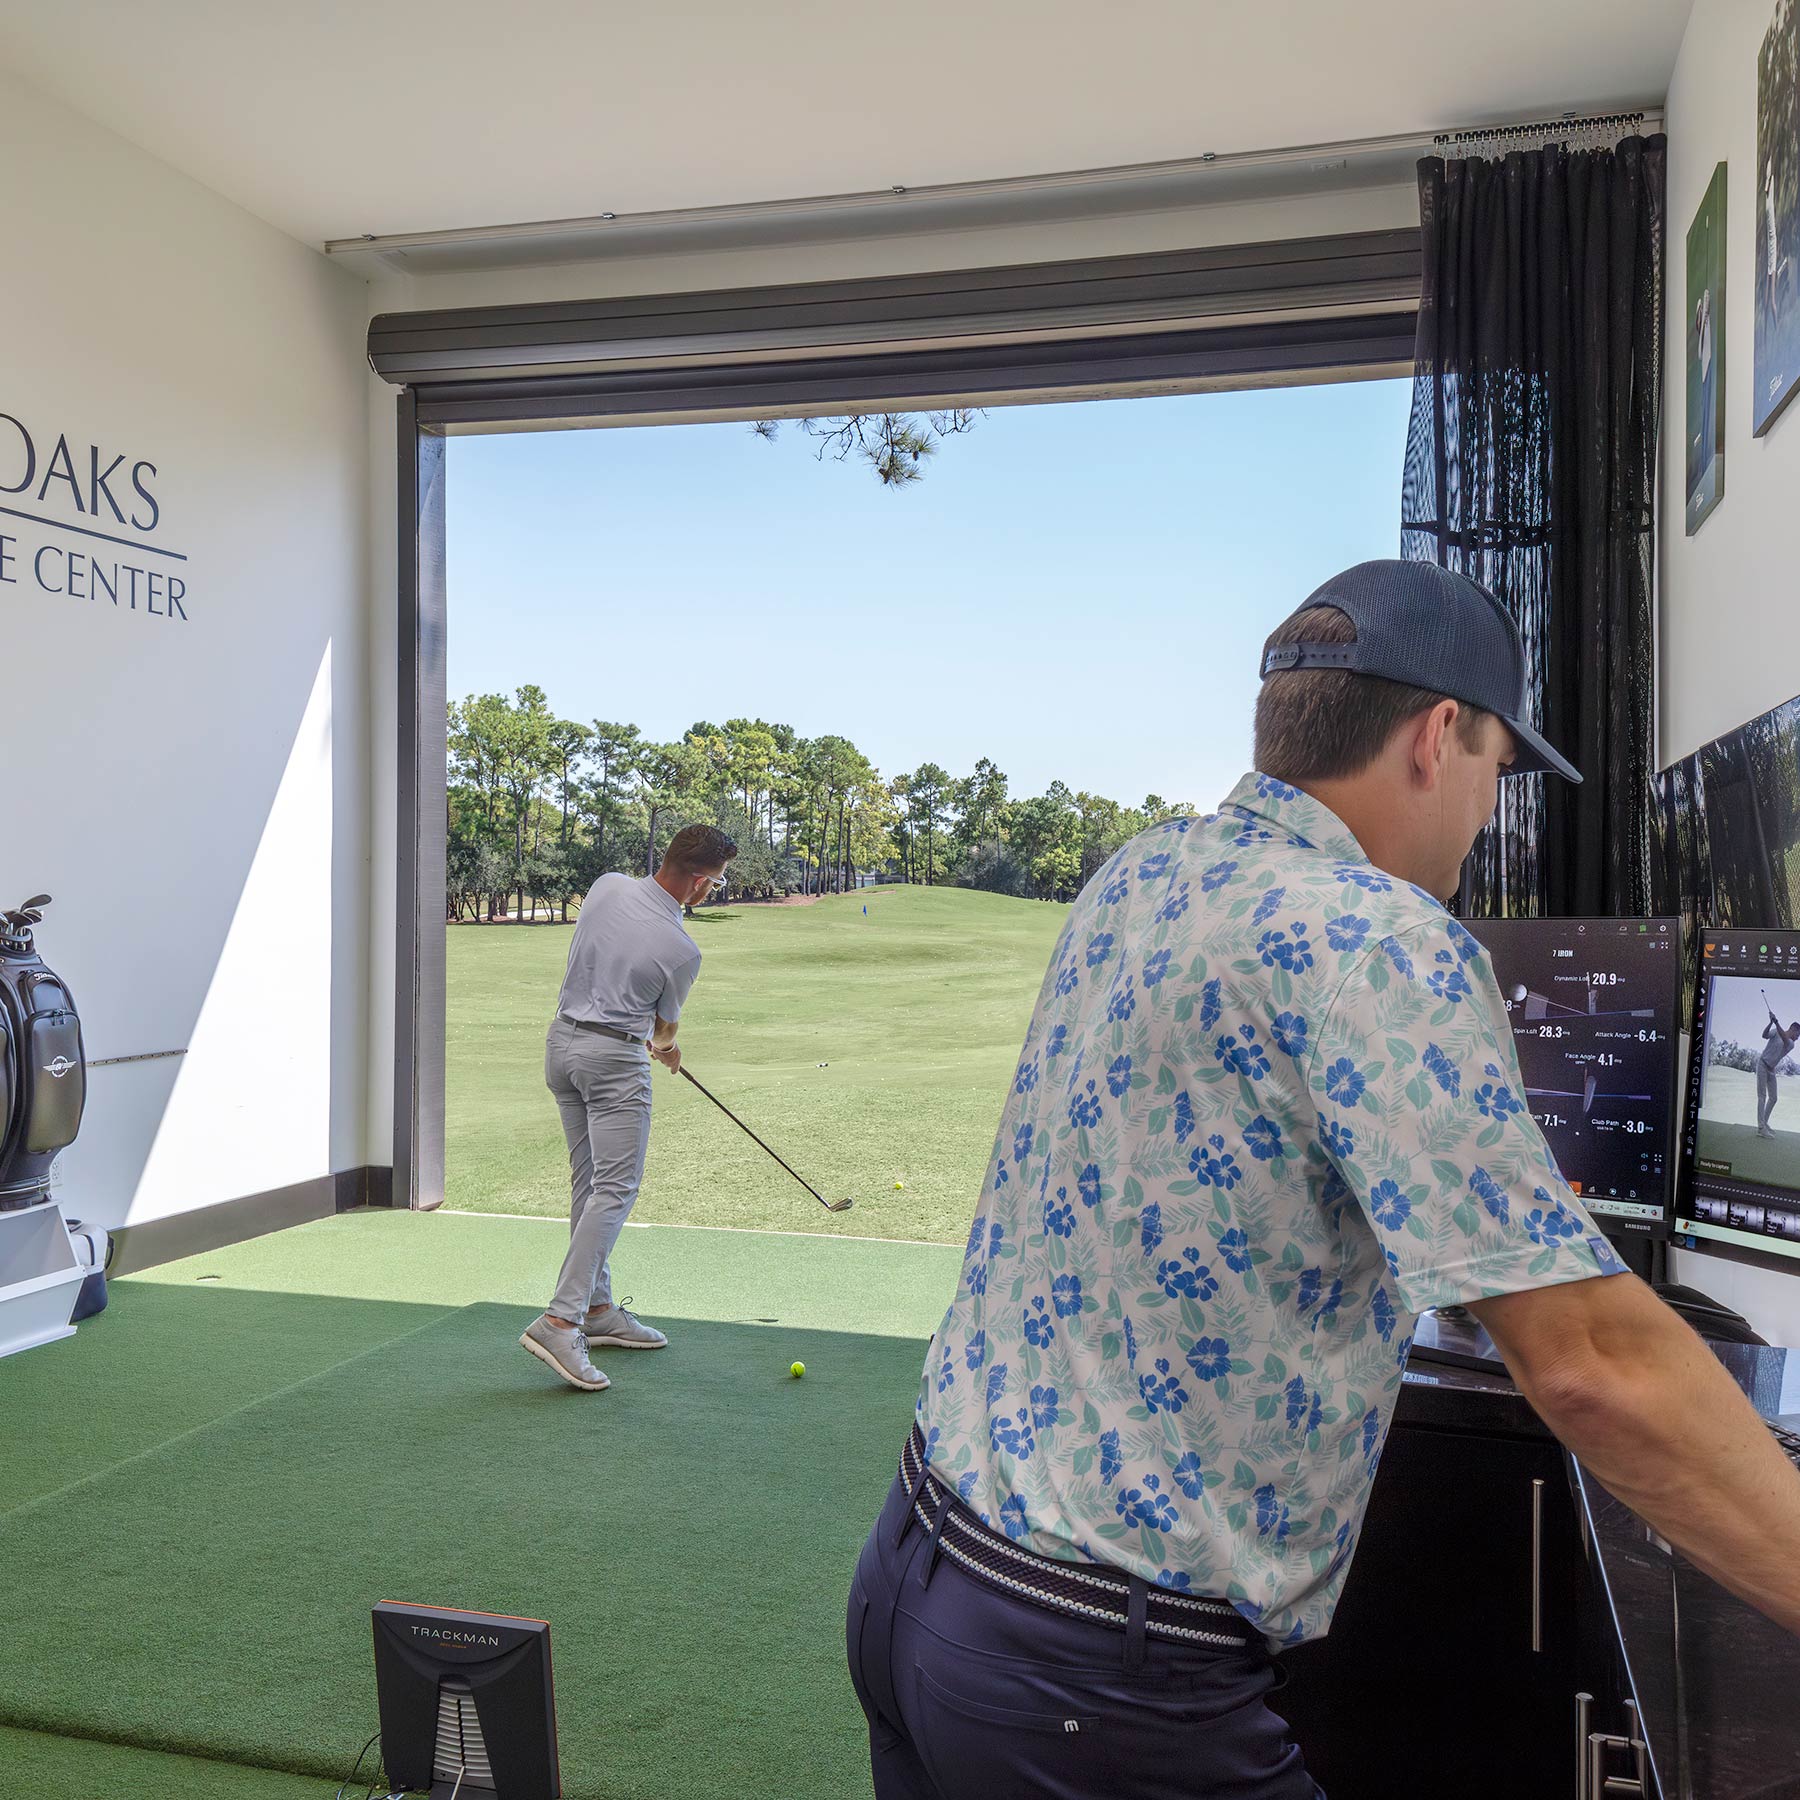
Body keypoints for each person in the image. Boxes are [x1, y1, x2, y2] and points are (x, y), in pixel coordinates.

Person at [845, 560, 1800, 1800]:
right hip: (1099, 1684)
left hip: (921, 1571)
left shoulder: (1141, 871)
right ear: (1436, 735)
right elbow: (1591, 1364)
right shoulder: (1382, 939)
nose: (1484, 816)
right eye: (1497, 774)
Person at [519, 824, 737, 1391]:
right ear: (695, 881)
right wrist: (667, 1051)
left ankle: (597, 1311)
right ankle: (561, 1320)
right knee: (615, 1190)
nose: (713, 890)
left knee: (589, 1184)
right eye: (714, 881)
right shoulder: (681, 949)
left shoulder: (606, 885)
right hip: (614, 1062)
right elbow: (663, 1031)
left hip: (561, 1045)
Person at [1756, 1003, 1800, 1139]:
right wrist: (1771, 1023)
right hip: (1762, 1065)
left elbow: (1785, 1039)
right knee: (1762, 1096)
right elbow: (1764, 1035)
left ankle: (1765, 1122)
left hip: (1771, 1070)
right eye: (1798, 1034)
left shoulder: (1791, 1044)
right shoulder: (1775, 1031)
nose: (1798, 1037)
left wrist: (1776, 1022)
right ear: (1793, 1029)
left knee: (1773, 1098)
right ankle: (1761, 1127)